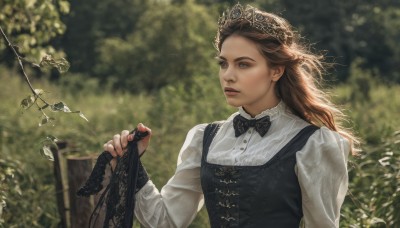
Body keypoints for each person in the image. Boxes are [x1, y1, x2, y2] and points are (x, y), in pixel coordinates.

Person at [103, 3, 358, 228]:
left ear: (276, 71)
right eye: (223, 63)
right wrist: (130, 164)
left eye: (243, 64)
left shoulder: (314, 144)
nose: (228, 75)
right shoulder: (205, 137)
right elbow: (165, 221)